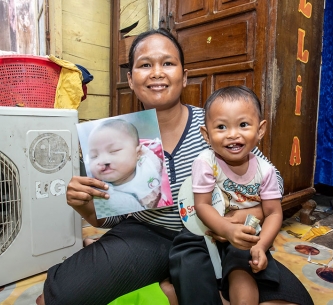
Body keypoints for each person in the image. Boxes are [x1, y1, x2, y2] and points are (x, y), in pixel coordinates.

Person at [36, 28, 313, 305]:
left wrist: (240, 218)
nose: (157, 72)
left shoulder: (217, 125)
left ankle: (173, 289)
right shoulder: (117, 135)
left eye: (167, 63)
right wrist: (83, 202)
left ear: (184, 76)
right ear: (131, 80)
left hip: (217, 236)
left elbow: (267, 179)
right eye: (145, 65)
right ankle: (171, 286)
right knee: (53, 298)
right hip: (146, 236)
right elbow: (110, 217)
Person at [188, 85, 284, 305]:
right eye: (221, 126)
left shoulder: (265, 170)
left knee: (243, 262)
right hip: (210, 231)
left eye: (243, 125)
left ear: (260, 130)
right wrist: (227, 229)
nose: (233, 134)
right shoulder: (205, 163)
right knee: (189, 260)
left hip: (247, 236)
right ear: (206, 134)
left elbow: (274, 214)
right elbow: (202, 206)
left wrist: (261, 245)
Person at [87, 118, 162, 211]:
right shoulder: (101, 190)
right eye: (94, 156)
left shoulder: (151, 162)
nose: (103, 160)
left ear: (138, 153)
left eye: (114, 150)